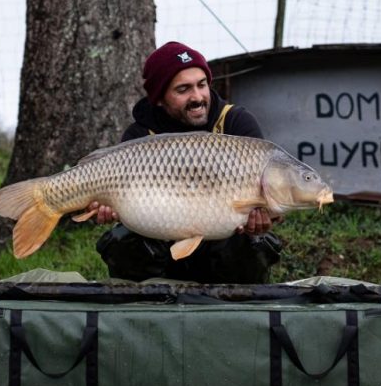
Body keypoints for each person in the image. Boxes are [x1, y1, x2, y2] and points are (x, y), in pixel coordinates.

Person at [92, 41, 283, 283]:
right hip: (162, 240)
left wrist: (267, 218)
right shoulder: (139, 136)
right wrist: (111, 208)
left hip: (223, 240)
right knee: (123, 239)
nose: (197, 97)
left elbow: (268, 198)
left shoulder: (236, 123)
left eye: (201, 85)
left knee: (254, 242)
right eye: (183, 90)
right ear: (160, 98)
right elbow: (126, 206)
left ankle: (234, 309)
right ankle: (148, 309)